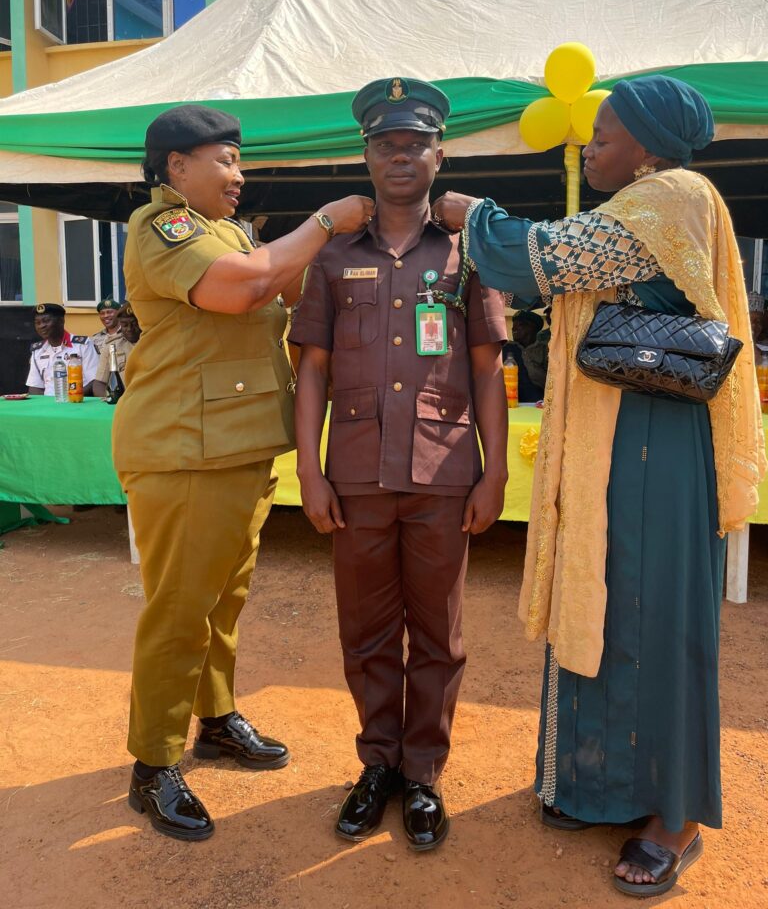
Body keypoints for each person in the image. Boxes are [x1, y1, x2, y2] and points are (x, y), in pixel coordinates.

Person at [432, 77, 765, 895]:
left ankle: (674, 816)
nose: (590, 145)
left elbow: (532, 259)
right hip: (611, 444)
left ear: (650, 145)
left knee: (655, 619)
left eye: (606, 132)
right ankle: (599, 786)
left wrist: (468, 212)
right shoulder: (639, 206)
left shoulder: (672, 196)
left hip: (657, 443)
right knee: (605, 606)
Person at [113, 104, 374, 842]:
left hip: (236, 446)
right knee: (179, 608)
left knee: (221, 601)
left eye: (239, 161)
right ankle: (152, 764)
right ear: (176, 166)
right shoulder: (161, 230)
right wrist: (324, 221)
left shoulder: (229, 231)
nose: (238, 175)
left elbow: (285, 285)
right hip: (183, 449)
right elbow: (244, 288)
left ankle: (215, 719)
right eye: (224, 160)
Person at [290, 78, 508, 851]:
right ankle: (376, 765)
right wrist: (310, 472)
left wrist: (495, 470)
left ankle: (423, 776)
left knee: (439, 635)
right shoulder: (331, 255)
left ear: (439, 153)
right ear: (367, 156)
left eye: (416, 143)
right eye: (387, 144)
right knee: (367, 630)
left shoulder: (467, 252)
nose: (402, 156)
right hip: (353, 476)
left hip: (443, 472)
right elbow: (310, 366)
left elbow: (486, 367)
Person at [26, 302, 99, 396]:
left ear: (61, 321)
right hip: (49, 405)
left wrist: (72, 398)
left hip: (77, 402)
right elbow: (35, 387)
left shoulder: (82, 345)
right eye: (38, 323)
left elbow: (94, 381)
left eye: (46, 321)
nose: (41, 326)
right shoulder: (37, 351)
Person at [92, 303, 142, 398]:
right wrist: (111, 398)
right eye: (125, 325)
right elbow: (99, 383)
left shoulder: (154, 344)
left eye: (134, 324)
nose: (129, 329)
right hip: (121, 402)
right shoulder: (112, 346)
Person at [502, 309, 547, 402]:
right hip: (510, 396)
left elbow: (552, 379)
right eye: (513, 326)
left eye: (520, 325)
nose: (514, 329)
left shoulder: (544, 350)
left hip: (538, 398)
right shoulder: (507, 348)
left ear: (533, 327)